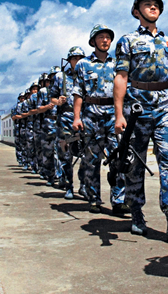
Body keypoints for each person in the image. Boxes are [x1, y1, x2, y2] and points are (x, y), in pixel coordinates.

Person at [113, 0, 168, 241]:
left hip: (164, 107)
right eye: (147, 4)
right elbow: (121, 77)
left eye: (156, 4)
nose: (152, 7)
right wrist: (119, 114)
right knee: (134, 163)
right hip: (137, 108)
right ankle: (136, 212)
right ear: (136, 11)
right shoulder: (127, 41)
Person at [72, 24, 127, 215]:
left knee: (118, 157)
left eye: (108, 37)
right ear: (93, 41)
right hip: (91, 115)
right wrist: (77, 117)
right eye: (101, 37)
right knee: (92, 159)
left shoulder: (118, 64)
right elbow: (78, 92)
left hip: (113, 114)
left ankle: (119, 200)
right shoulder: (83, 64)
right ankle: (94, 198)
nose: (105, 40)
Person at [52, 46, 86, 199]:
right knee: (65, 155)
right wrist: (58, 101)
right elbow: (52, 97)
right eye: (74, 59)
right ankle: (68, 186)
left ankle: (84, 185)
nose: (77, 61)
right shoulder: (60, 77)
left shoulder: (88, 74)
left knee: (86, 153)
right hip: (65, 118)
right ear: (69, 60)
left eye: (80, 58)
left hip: (84, 118)